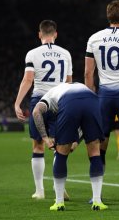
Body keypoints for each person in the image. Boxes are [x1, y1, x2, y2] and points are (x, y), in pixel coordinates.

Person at [84, 0, 119, 205]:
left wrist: (91, 98)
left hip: (104, 96)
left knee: (99, 145)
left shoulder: (94, 38)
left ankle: (96, 195)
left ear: (108, 16)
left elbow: (89, 73)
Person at [14, 20, 72, 200]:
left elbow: (28, 80)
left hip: (39, 101)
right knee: (59, 146)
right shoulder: (66, 54)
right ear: (55, 34)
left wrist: (17, 103)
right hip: (60, 99)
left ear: (39, 34)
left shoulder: (32, 54)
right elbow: (69, 81)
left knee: (38, 145)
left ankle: (39, 191)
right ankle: (58, 188)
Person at [32, 82, 106, 211]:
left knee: (61, 153)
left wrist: (45, 138)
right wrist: (76, 141)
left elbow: (36, 112)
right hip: (93, 99)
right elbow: (83, 124)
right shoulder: (74, 86)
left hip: (69, 101)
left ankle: (59, 202)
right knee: (95, 151)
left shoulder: (48, 96)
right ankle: (97, 201)